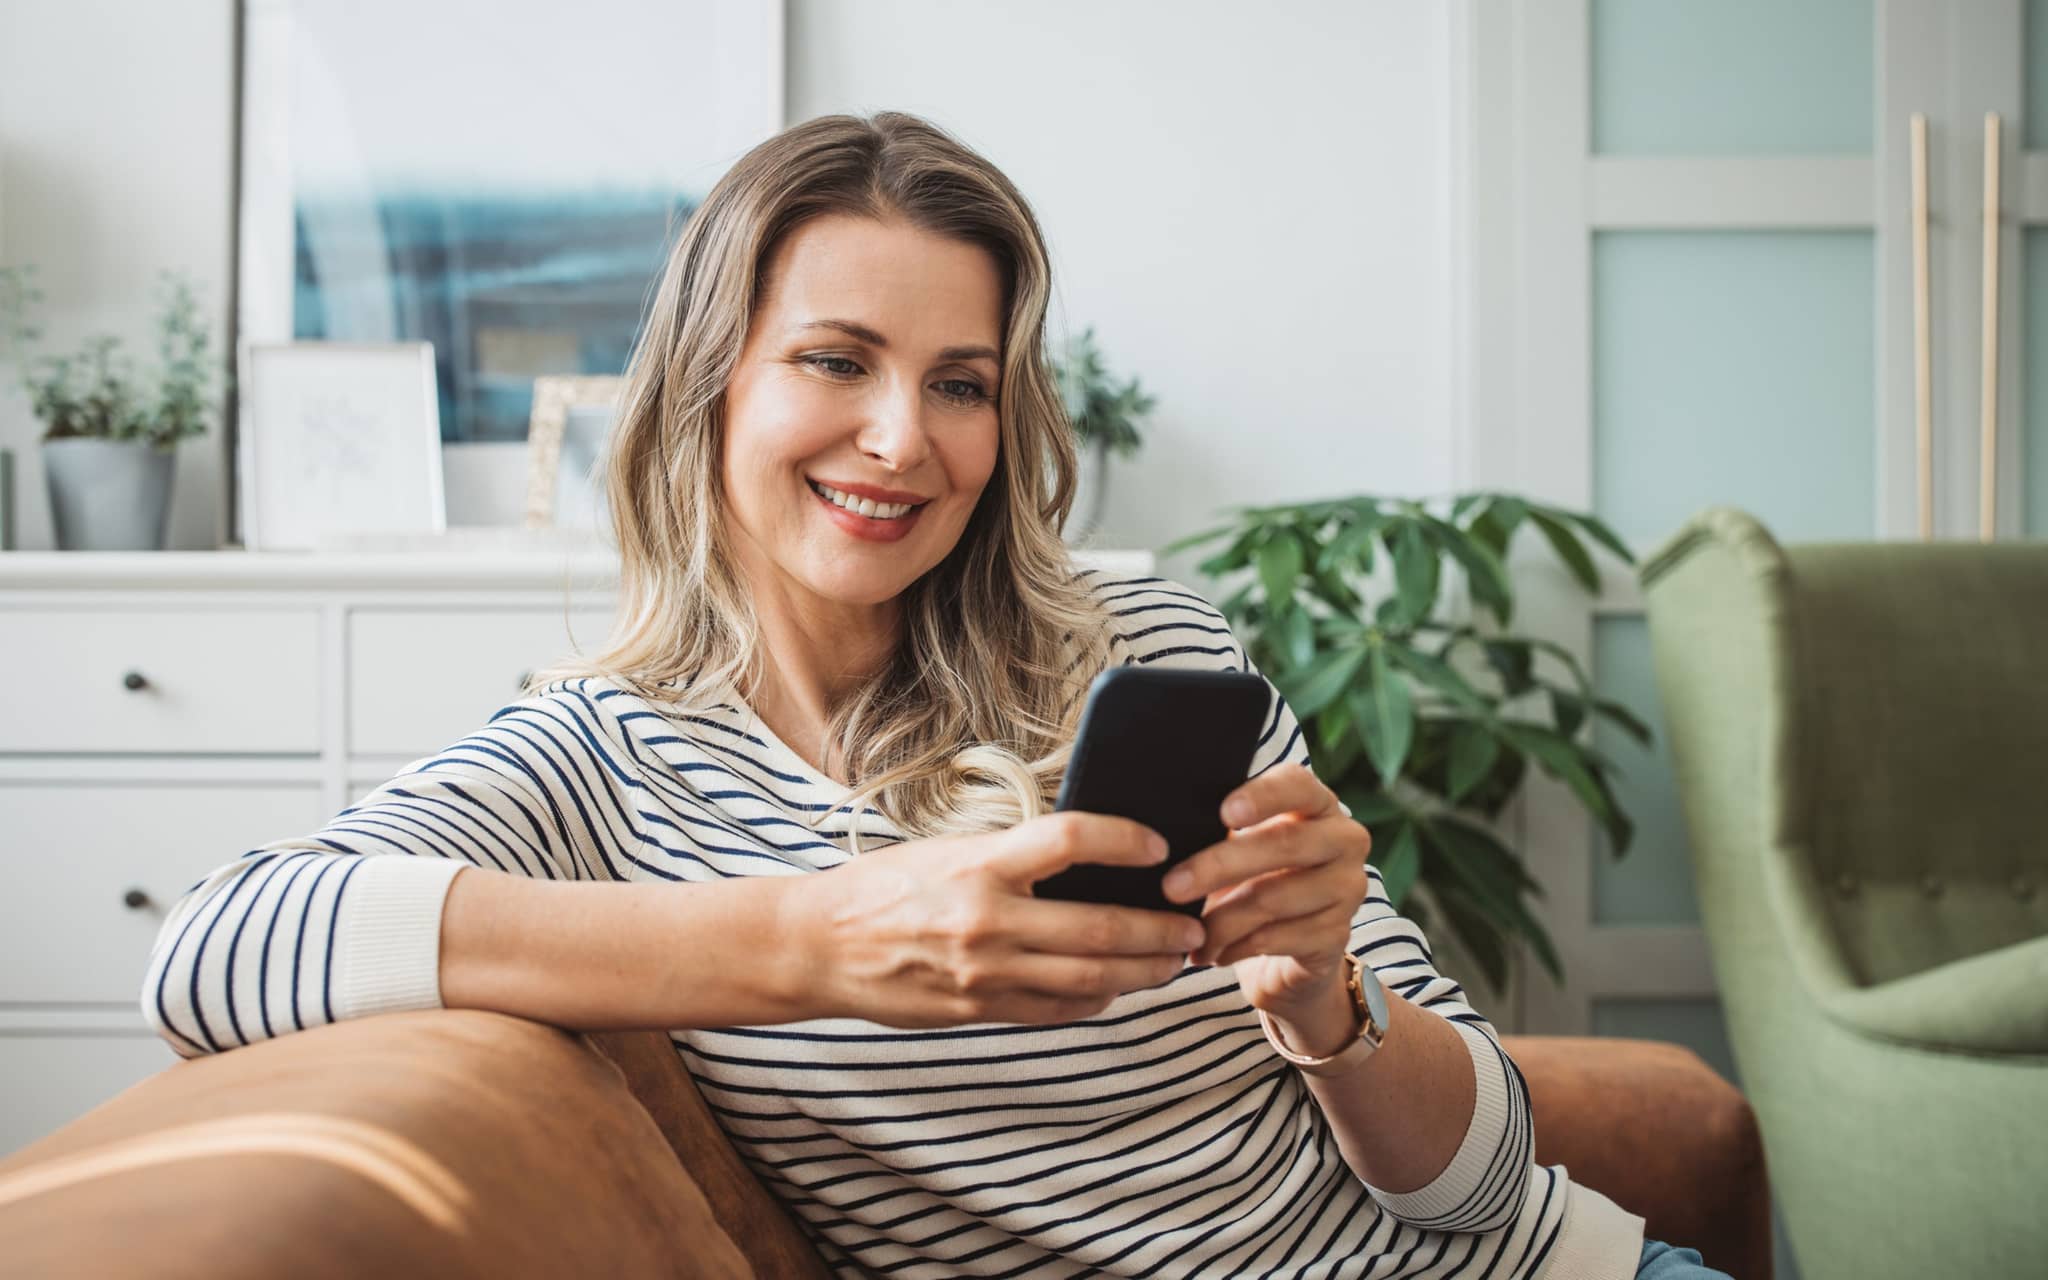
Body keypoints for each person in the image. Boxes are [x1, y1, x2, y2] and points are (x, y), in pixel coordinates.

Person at [141, 111, 1734, 1280]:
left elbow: (1475, 1187)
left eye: (961, 383)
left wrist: (1324, 993)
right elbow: (215, 947)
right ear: (710, 384)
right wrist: (818, 938)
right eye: (836, 361)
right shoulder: (597, 763)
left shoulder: (1143, 641)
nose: (905, 438)